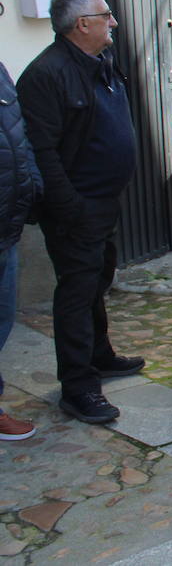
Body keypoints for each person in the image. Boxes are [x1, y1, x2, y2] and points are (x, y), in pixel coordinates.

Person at [17, 0, 144, 424]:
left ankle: (100, 354)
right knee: (76, 292)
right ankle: (78, 386)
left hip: (104, 201)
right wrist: (70, 207)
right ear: (81, 25)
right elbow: (42, 151)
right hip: (75, 207)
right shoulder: (46, 75)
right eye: (105, 15)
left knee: (96, 280)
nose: (113, 22)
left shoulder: (100, 62)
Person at [0, 60, 41, 440]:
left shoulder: (1, 72)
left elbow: (19, 134)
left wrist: (32, 186)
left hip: (7, 224)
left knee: (2, 319)